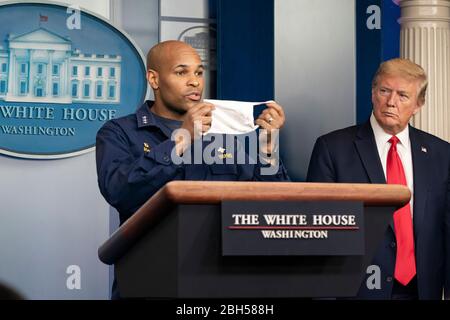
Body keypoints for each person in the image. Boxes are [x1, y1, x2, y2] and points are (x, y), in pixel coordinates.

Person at [96, 40, 290, 226]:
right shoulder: (119, 131)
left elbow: (273, 202)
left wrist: (268, 145)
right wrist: (182, 139)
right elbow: (120, 193)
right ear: (154, 79)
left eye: (199, 73)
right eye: (181, 73)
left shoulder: (220, 133)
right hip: (155, 256)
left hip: (221, 253)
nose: (195, 82)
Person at [307, 58, 450, 300]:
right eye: (385, 91)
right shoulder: (332, 148)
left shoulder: (441, 153)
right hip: (357, 291)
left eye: (403, 95)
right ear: (373, 93)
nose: (391, 102)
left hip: (423, 289)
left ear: (418, 104)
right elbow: (320, 231)